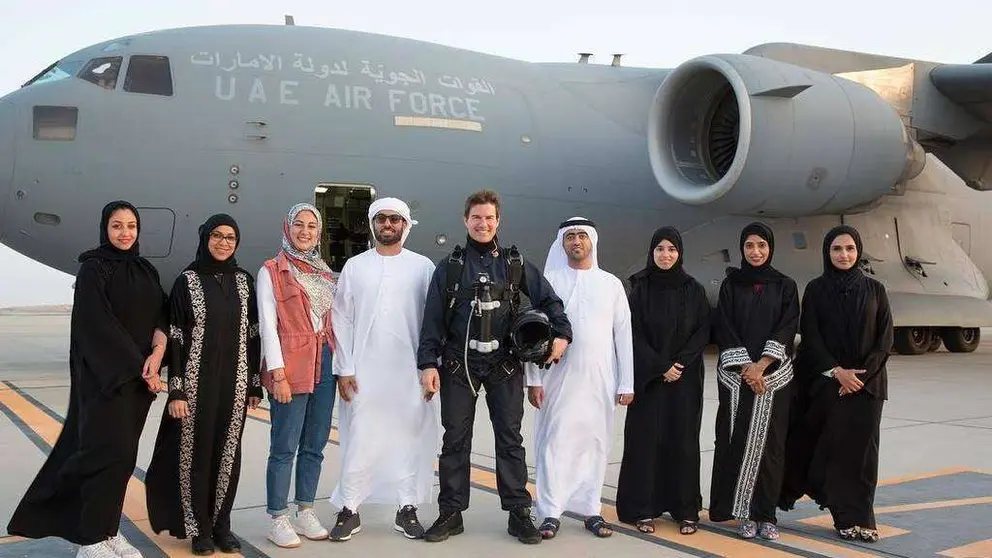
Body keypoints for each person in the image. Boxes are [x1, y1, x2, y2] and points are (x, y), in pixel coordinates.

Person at [7, 201, 168, 558]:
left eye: (130, 225)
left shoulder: (146, 270)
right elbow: (97, 326)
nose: (125, 233)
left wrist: (157, 355)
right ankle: (90, 540)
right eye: (116, 226)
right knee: (103, 456)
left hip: (139, 385)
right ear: (104, 229)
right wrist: (141, 366)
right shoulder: (94, 269)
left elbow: (162, 315)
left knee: (124, 459)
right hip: (104, 382)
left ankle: (108, 531)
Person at [417, 190, 572, 544]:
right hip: (460, 365)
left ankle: (518, 513)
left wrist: (562, 335)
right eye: (476, 217)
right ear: (465, 220)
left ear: (498, 221)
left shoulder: (516, 265)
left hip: (504, 365)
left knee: (510, 440)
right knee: (454, 440)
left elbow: (550, 300)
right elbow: (432, 320)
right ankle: (451, 512)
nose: (483, 224)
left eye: (489, 218)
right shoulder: (451, 267)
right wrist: (428, 363)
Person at [145, 214, 263, 556]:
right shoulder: (188, 280)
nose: (223, 242)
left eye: (230, 237)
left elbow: (253, 336)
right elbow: (178, 338)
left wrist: (254, 383)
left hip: (236, 383)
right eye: (217, 235)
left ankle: (222, 525)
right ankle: (199, 529)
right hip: (196, 385)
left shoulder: (244, 281)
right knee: (195, 455)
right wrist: (177, 390)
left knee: (228, 454)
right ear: (205, 239)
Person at [327, 197, 440, 541]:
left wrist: (430, 366)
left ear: (405, 225)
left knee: (409, 439)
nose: (388, 225)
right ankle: (350, 509)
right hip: (364, 372)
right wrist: (344, 368)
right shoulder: (355, 266)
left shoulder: (423, 267)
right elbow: (341, 319)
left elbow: (434, 322)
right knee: (360, 437)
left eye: (394, 220)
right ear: (373, 224)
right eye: (381, 219)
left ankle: (406, 509)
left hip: (410, 373)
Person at [778, 225, 893, 543]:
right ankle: (844, 518)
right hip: (829, 386)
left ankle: (862, 518)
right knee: (830, 452)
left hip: (866, 390)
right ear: (827, 253)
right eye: (837, 249)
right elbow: (811, 337)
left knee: (862, 457)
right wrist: (837, 372)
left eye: (850, 249)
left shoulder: (876, 290)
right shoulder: (816, 289)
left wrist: (858, 377)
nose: (844, 255)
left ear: (858, 251)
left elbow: (884, 341)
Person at [525, 217, 634, 540]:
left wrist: (626, 382)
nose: (576, 242)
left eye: (582, 236)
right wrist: (533, 379)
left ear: (592, 242)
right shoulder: (549, 282)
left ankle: (591, 510)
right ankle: (549, 511)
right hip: (556, 378)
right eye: (570, 236)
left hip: (600, 379)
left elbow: (623, 335)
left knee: (596, 442)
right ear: (562, 243)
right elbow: (533, 332)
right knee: (553, 443)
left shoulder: (610, 284)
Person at [615, 226, 712, 536]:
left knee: (682, 442)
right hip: (650, 381)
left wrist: (680, 363)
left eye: (671, 249)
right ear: (652, 253)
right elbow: (633, 333)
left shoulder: (693, 289)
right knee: (646, 443)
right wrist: (660, 367)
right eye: (660, 249)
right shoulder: (639, 289)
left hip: (684, 382)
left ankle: (685, 510)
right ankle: (642, 509)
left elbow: (702, 331)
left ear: (679, 253)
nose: (666, 255)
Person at [709, 222, 799, 541]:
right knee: (737, 443)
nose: (756, 251)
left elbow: (787, 327)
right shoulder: (732, 285)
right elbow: (724, 326)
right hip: (737, 379)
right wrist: (747, 366)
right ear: (742, 249)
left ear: (770, 248)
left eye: (761, 245)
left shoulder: (785, 286)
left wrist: (762, 365)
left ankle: (767, 514)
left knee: (771, 448)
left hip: (773, 380)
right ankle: (743, 514)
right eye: (749, 245)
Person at [257, 203, 339, 548]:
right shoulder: (272, 270)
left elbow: (334, 324)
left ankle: (304, 509)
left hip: (325, 362)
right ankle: (277, 515)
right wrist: (277, 373)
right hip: (291, 363)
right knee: (284, 445)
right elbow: (268, 326)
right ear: (287, 227)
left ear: (319, 233)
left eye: (312, 226)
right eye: (299, 225)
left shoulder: (324, 272)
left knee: (315, 444)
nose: (305, 231)